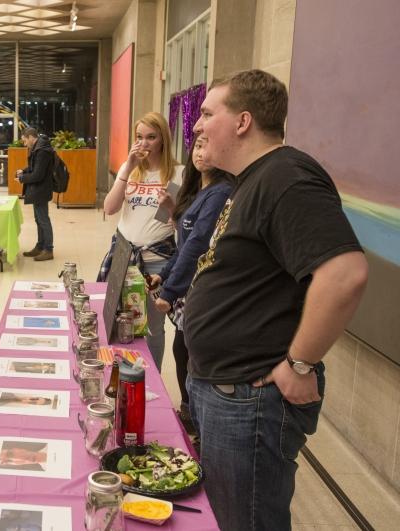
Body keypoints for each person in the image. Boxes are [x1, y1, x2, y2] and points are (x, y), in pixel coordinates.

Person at [185, 69, 368, 531]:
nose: (197, 125)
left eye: (208, 113)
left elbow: (344, 273)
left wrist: (300, 364)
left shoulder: (286, 176)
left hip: (249, 399)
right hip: (223, 388)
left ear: (243, 121)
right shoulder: (249, 180)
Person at [147, 135, 233, 435]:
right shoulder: (198, 189)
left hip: (201, 288)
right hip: (186, 284)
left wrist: (170, 291)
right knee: (181, 348)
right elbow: (183, 243)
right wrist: (166, 273)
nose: (201, 153)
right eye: (197, 146)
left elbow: (197, 244)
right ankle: (189, 414)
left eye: (208, 146)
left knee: (187, 350)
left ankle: (196, 422)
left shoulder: (221, 192)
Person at [100, 112, 183, 369]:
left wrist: (171, 206)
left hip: (157, 259)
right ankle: (120, 372)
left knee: (152, 327)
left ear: (163, 140)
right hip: (124, 253)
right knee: (116, 317)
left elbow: (177, 222)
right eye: (139, 137)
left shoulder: (177, 172)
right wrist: (128, 167)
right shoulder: (130, 170)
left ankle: (151, 380)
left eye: (151, 137)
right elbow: (109, 208)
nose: (144, 143)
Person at [16, 127, 56, 261]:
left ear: (31, 137)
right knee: (39, 219)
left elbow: (38, 175)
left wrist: (22, 179)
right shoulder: (38, 148)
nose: (24, 143)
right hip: (38, 190)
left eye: (25, 141)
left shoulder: (42, 151)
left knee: (43, 220)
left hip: (41, 190)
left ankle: (48, 249)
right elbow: (34, 168)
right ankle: (40, 246)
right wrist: (23, 171)